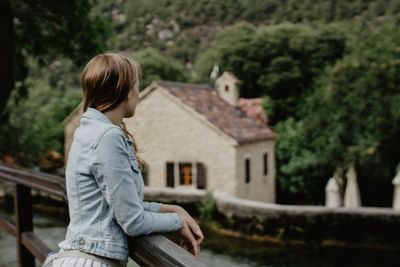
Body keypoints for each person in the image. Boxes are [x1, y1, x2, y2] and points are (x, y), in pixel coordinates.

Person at [43, 53, 203, 267]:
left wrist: (172, 209)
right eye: (137, 85)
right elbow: (133, 222)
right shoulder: (108, 137)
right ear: (126, 91)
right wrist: (176, 222)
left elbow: (119, 205)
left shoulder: (87, 131)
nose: (138, 93)